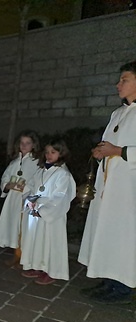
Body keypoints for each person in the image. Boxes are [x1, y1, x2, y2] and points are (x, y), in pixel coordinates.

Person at [78, 60, 136, 303]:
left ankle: (122, 287)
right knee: (106, 231)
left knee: (123, 234)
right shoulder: (117, 113)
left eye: (124, 80)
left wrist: (118, 151)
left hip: (127, 187)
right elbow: (109, 144)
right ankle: (108, 279)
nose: (118, 84)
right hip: (107, 184)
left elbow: (120, 149)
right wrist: (101, 152)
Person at [20, 139, 76, 285]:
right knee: (37, 241)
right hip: (36, 211)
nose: (49, 155)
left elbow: (61, 196)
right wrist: (30, 201)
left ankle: (53, 271)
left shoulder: (63, 174)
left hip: (52, 216)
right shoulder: (41, 170)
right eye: (46, 152)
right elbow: (31, 187)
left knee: (51, 242)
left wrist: (44, 211)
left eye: (53, 152)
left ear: (61, 153)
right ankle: (37, 266)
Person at [0, 130, 41, 266]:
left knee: (24, 226)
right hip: (13, 199)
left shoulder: (36, 162)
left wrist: (25, 188)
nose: (24, 146)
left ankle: (26, 256)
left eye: (28, 143)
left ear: (34, 145)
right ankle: (17, 253)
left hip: (26, 199)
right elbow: (5, 177)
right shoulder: (14, 162)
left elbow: (37, 181)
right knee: (14, 225)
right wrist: (7, 185)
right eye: (22, 143)